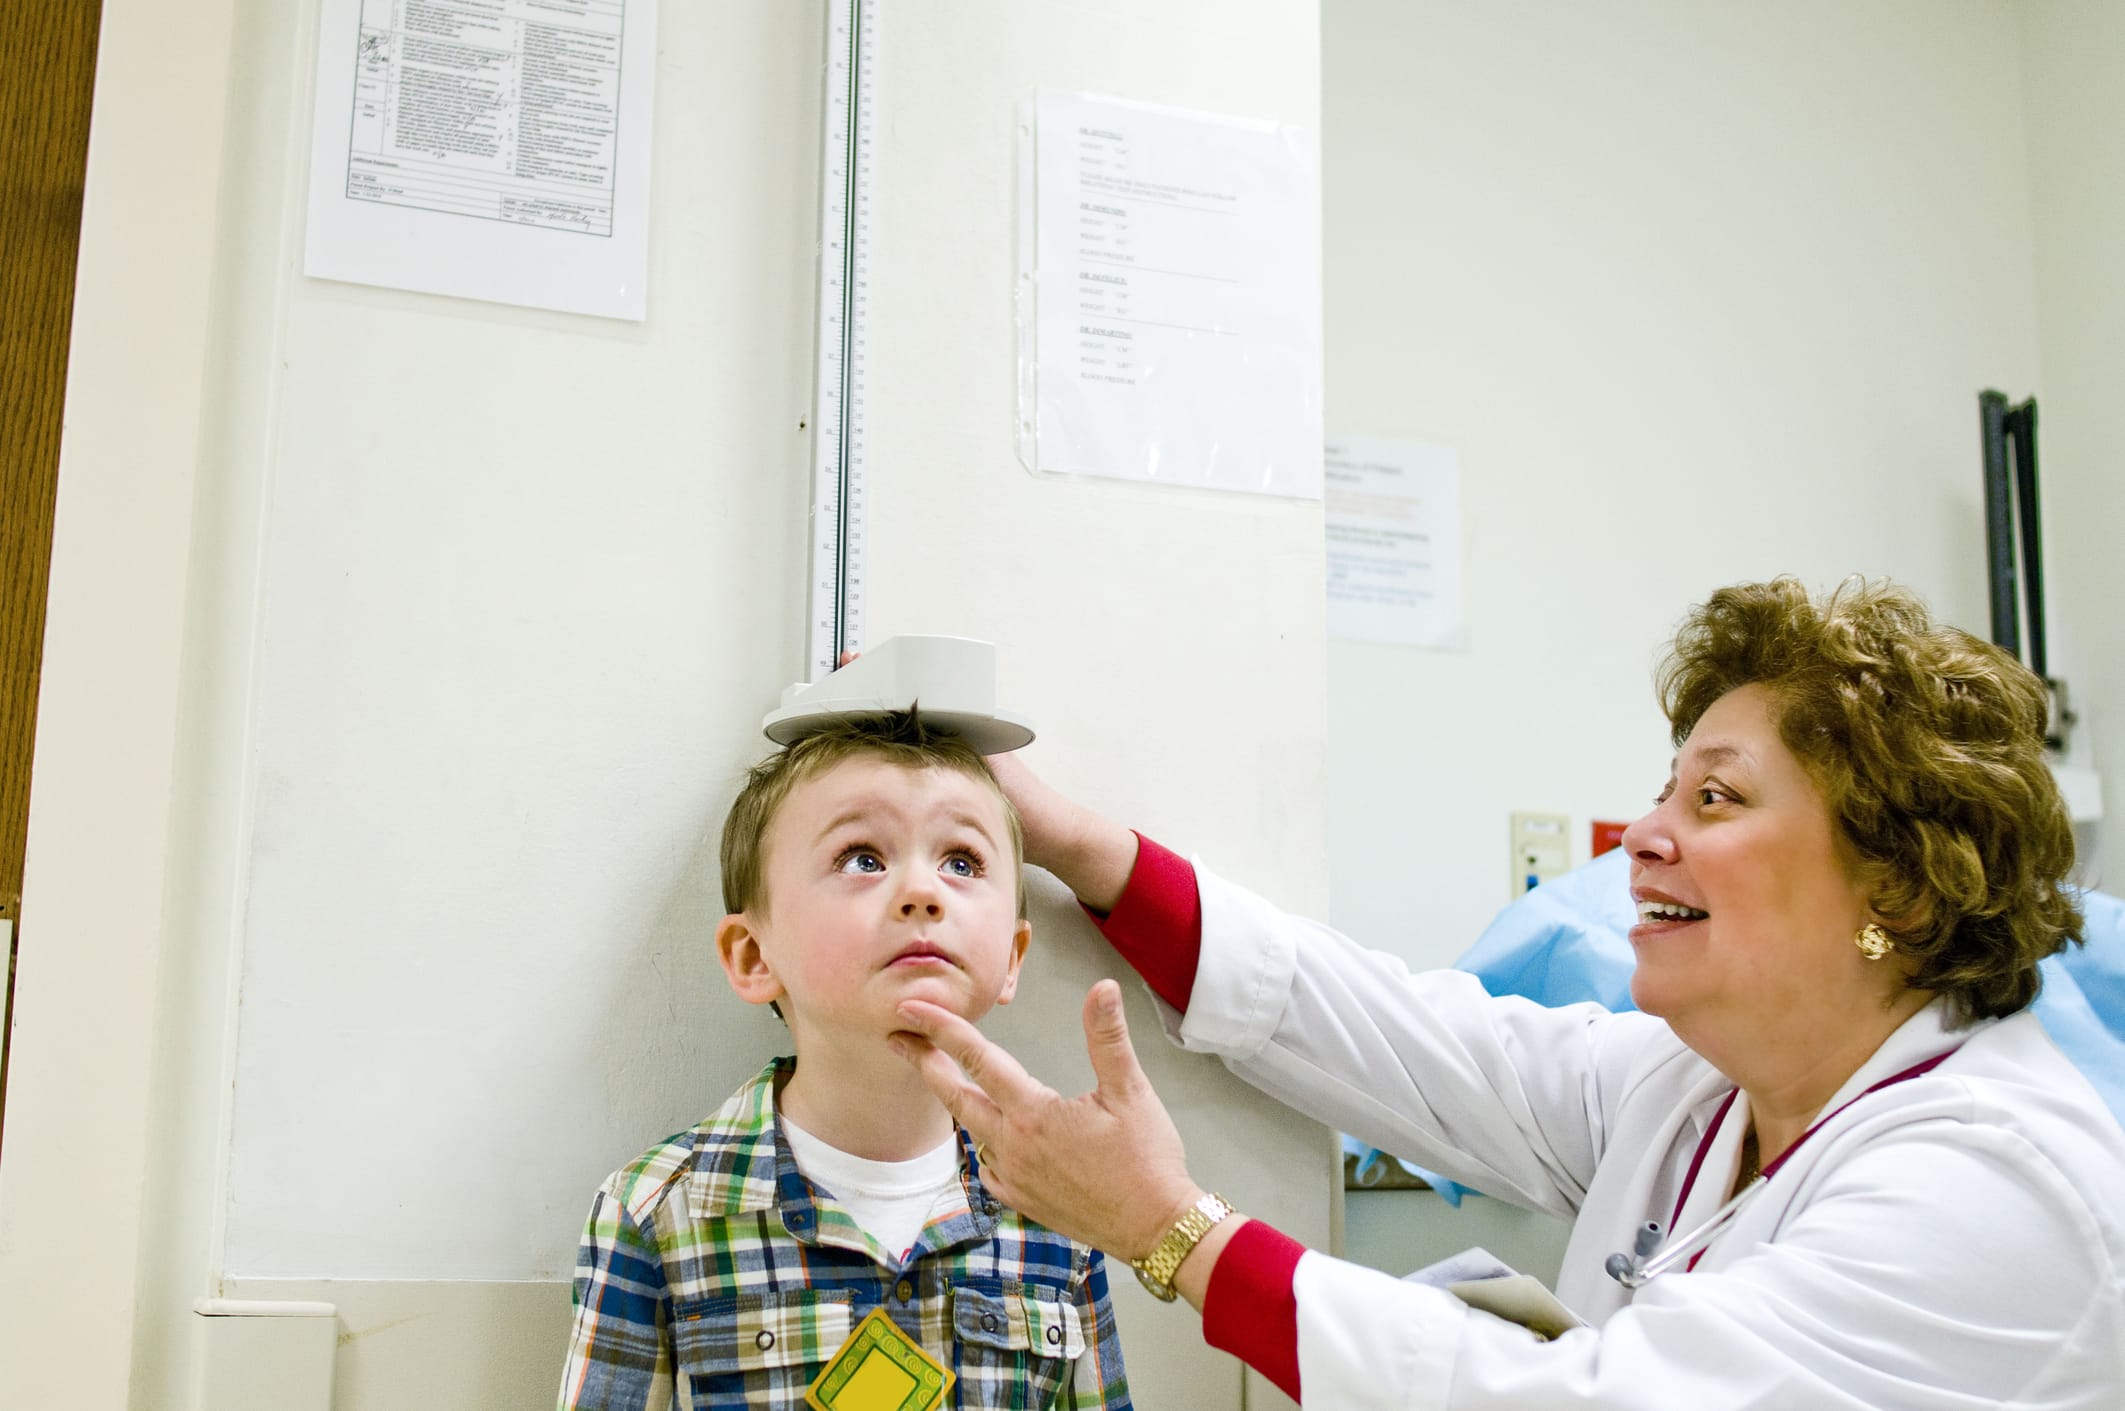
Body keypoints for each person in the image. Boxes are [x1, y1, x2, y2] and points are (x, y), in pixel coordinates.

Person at [890, 577, 2125, 1409]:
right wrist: (1073, 844)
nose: (1641, 834)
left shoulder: (1993, 1187)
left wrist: (1173, 1227)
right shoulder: (1705, 1092)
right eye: (1665, 788)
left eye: (1716, 798)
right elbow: (1405, 1039)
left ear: (1899, 887)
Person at [557, 712, 1131, 1410]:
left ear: (1010, 959)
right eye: (862, 857)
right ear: (753, 955)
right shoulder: (653, 1211)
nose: (924, 893)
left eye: (962, 861)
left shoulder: (1061, 1213)